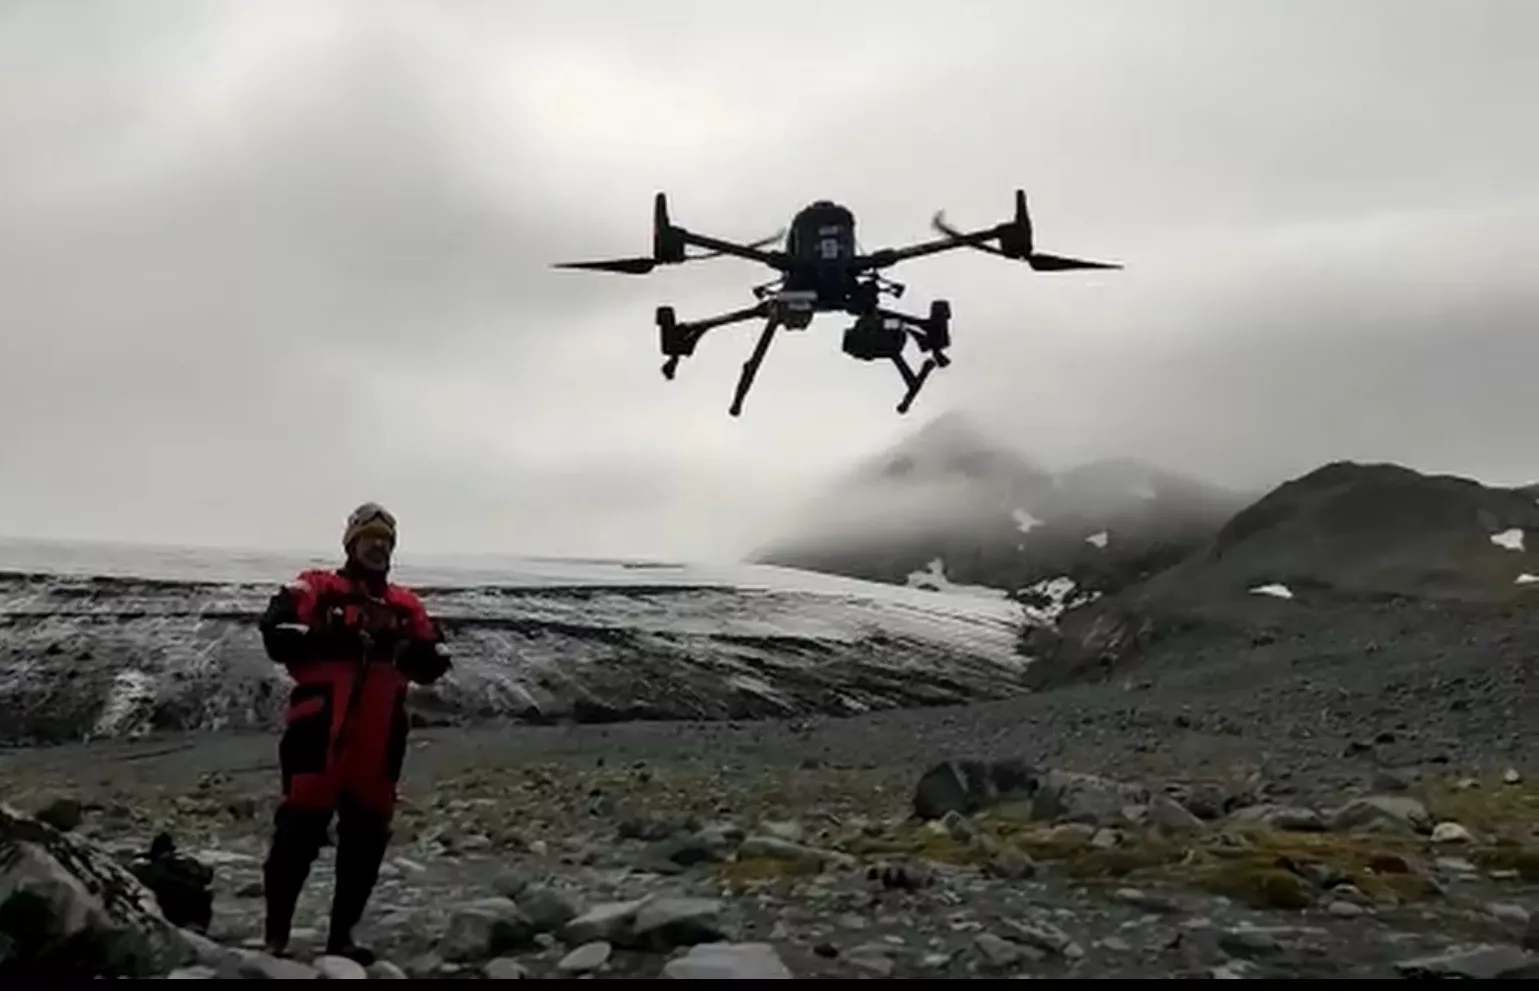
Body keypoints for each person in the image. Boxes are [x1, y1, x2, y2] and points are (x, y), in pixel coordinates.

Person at [256, 502, 452, 964]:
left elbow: (436, 659)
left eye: (386, 540)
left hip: (380, 735)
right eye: (370, 539)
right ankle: (275, 937)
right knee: (298, 832)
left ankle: (341, 938)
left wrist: (406, 651)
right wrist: (341, 641)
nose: (379, 547)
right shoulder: (319, 587)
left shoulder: (406, 605)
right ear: (351, 543)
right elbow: (276, 631)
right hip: (320, 728)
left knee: (366, 838)